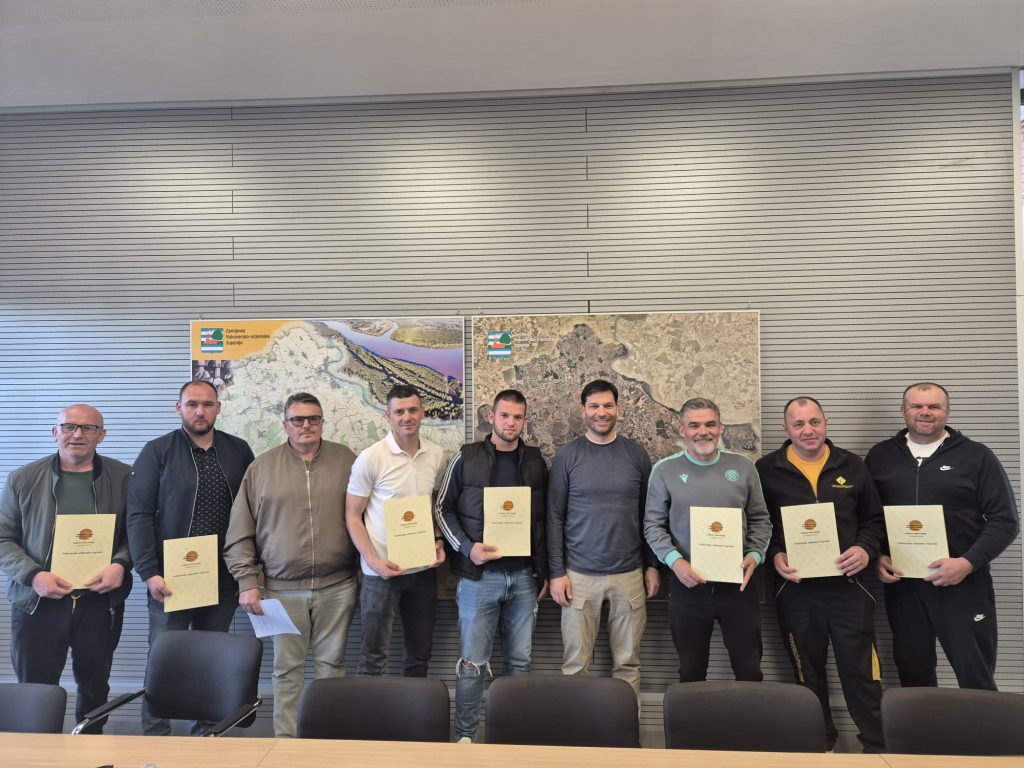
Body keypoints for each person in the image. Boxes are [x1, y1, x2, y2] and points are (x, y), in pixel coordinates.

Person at [866, 382, 1020, 690]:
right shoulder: (880, 456)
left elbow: (1005, 521)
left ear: (947, 412)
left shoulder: (977, 456)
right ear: (903, 411)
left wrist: (967, 563)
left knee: (975, 675)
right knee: (914, 675)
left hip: (963, 584)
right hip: (904, 587)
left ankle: (981, 725)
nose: (925, 412)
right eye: (917, 406)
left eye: (934, 406)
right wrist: (877, 557)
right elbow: (868, 517)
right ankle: (924, 725)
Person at [224, 392, 358, 738]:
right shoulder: (261, 468)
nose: (306, 425)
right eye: (298, 419)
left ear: (322, 422)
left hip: (338, 586)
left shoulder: (346, 460)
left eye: (314, 418)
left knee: (332, 668)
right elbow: (240, 532)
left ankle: (329, 741)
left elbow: (368, 516)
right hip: (281, 591)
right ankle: (286, 745)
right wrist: (247, 582)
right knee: (286, 670)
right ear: (285, 425)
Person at [755, 396, 885, 751]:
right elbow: (758, 524)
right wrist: (774, 554)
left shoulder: (852, 465)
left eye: (814, 422)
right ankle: (819, 746)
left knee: (862, 674)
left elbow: (874, 520)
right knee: (806, 675)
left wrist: (865, 549)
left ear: (825, 422)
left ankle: (877, 747)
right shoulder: (766, 470)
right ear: (786, 428)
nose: (807, 430)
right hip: (795, 591)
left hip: (851, 588)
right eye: (798, 424)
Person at [127, 380, 255, 735]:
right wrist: (149, 572)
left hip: (222, 578)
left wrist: (248, 572)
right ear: (179, 408)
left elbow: (253, 512)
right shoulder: (157, 451)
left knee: (213, 662)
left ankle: (206, 737)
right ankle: (156, 739)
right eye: (192, 404)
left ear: (219, 408)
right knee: (163, 661)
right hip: (170, 579)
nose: (200, 411)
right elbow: (138, 515)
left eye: (207, 404)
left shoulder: (238, 450)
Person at [0, 404, 132, 734]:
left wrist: (121, 563)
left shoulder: (125, 478)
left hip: (99, 602)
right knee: (36, 692)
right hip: (37, 603)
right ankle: (38, 753)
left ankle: (90, 750)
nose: (77, 434)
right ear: (54, 432)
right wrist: (33, 575)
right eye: (69, 426)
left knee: (95, 689)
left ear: (101, 435)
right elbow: (3, 539)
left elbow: (139, 532)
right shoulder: (23, 479)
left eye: (88, 428)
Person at [435, 389, 548, 743]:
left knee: (519, 663)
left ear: (524, 420)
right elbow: (441, 509)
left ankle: (511, 738)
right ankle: (465, 738)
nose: (510, 423)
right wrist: (468, 549)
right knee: (472, 663)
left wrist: (543, 569)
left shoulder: (535, 461)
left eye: (517, 417)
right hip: (478, 578)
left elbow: (544, 519)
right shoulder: (466, 458)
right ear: (491, 417)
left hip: (524, 578)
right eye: (504, 416)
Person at [546, 379, 660, 700]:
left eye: (608, 405)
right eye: (594, 406)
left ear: (618, 409)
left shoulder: (636, 455)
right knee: (575, 665)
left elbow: (649, 514)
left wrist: (652, 565)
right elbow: (554, 517)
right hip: (578, 577)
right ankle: (577, 730)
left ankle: (627, 729)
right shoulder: (567, 456)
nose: (601, 412)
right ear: (583, 410)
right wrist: (556, 573)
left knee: (628, 664)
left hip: (629, 574)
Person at [644, 397, 771, 683]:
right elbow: (653, 526)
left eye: (710, 424)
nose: (703, 431)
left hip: (738, 585)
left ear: (721, 427)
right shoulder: (664, 471)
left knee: (749, 670)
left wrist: (755, 556)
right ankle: (692, 716)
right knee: (691, 672)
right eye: (694, 425)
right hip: (687, 585)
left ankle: (751, 715)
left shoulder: (744, 467)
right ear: (682, 430)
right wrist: (676, 563)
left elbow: (761, 520)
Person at [346, 384, 447, 676]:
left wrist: (438, 540)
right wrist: (372, 561)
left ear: (422, 413)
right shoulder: (371, 458)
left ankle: (414, 707)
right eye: (399, 411)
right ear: (388, 416)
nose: (407, 417)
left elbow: (433, 506)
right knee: (373, 657)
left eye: (413, 410)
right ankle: (372, 708)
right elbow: (352, 515)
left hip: (423, 570)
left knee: (419, 655)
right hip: (381, 574)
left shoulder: (436, 455)